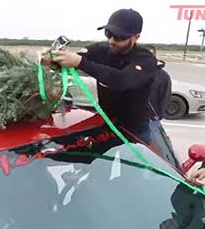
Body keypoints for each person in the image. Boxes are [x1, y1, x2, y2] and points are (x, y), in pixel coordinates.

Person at [43, 8, 157, 143]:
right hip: (107, 122)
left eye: (120, 37)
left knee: (134, 162)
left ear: (136, 37)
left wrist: (80, 62)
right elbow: (74, 59)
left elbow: (122, 80)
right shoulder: (101, 50)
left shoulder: (145, 60)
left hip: (135, 129)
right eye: (109, 34)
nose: (112, 41)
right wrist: (52, 58)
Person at [145, 45, 181, 168]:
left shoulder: (162, 76)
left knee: (161, 153)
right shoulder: (132, 72)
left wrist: (156, 116)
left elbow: (165, 98)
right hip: (132, 121)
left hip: (151, 121)